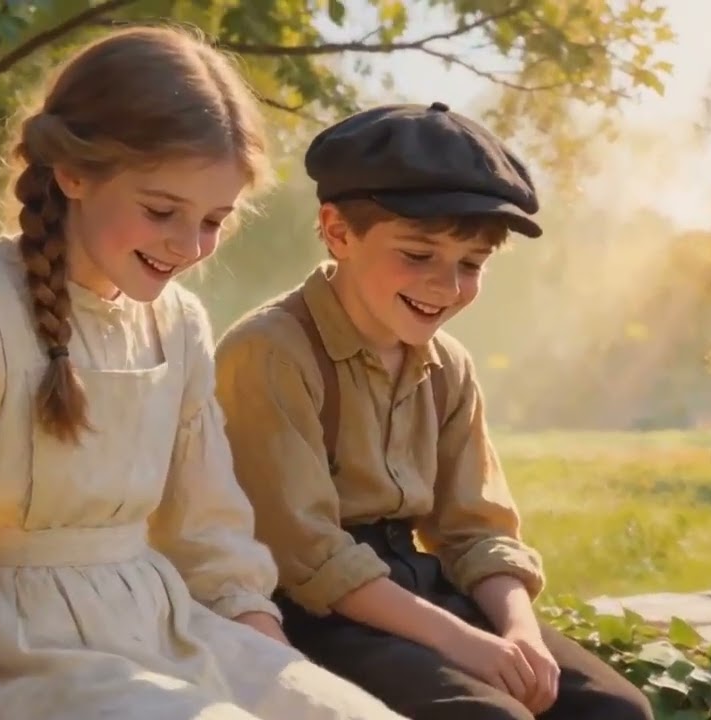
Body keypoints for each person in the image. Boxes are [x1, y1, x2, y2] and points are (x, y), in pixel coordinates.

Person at [0, 26, 408, 720]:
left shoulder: (178, 323)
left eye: (214, 220)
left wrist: (276, 677)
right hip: (2, 657)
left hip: (159, 631)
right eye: (161, 211)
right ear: (73, 173)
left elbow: (209, 538)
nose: (188, 246)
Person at [214, 101, 655, 720]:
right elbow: (308, 555)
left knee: (614, 711)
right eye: (418, 256)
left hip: (420, 587)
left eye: (470, 265)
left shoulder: (447, 366)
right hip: (314, 612)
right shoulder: (271, 352)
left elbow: (477, 529)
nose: (446, 288)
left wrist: (517, 632)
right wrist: (462, 644)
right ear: (339, 231)